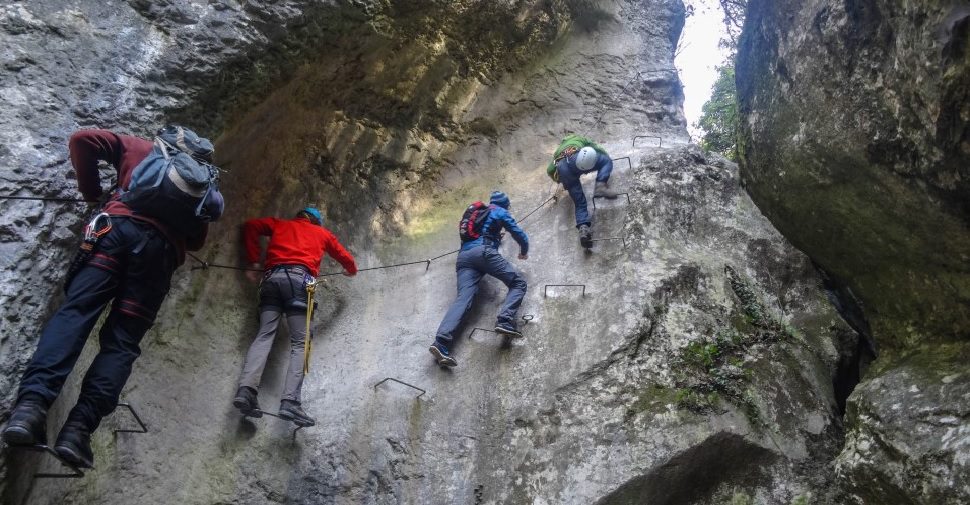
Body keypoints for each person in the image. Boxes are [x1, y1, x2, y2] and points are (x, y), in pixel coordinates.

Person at [2, 126, 222, 469]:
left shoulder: (143, 148)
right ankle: (77, 432)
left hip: (113, 235)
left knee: (75, 314)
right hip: (158, 259)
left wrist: (94, 194)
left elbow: (82, 140)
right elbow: (195, 242)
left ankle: (30, 409)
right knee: (121, 345)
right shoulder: (201, 184)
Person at [232, 207, 357, 427]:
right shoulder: (322, 234)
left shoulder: (280, 224)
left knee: (264, 335)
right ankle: (290, 402)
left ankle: (247, 391)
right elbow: (344, 256)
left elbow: (252, 226)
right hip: (300, 283)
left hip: (271, 280)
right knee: (301, 343)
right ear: (316, 222)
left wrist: (254, 261)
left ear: (299, 216)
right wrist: (351, 269)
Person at [429, 191, 529, 367]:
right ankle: (505, 320)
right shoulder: (500, 211)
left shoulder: (477, 215)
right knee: (518, 283)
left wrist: (496, 237)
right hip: (483, 253)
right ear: (505, 205)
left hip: (464, 258)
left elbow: (480, 234)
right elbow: (518, 233)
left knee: (463, 299)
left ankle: (441, 342)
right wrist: (524, 250)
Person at [546, 134, 618, 248]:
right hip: (577, 158)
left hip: (563, 169)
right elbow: (596, 147)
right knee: (606, 161)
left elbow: (550, 169)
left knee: (579, 203)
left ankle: (583, 229)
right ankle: (600, 186)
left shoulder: (558, 151)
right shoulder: (579, 138)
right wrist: (605, 156)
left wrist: (559, 179)